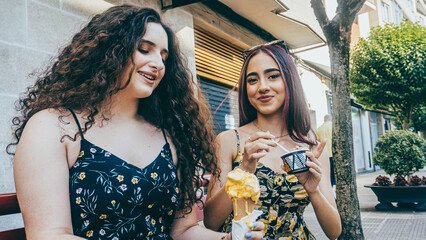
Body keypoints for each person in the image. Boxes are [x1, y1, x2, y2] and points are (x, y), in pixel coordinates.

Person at [9, 5, 264, 239]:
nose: (157, 64)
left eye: (164, 56)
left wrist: (230, 238)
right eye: (144, 49)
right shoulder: (54, 127)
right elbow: (49, 234)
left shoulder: (168, 136)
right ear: (109, 50)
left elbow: (184, 230)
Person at [203, 40, 341, 239]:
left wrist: (314, 191)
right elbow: (211, 222)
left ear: (289, 80)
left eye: (273, 76)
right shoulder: (229, 141)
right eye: (252, 80)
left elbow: (334, 232)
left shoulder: (312, 147)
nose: (263, 87)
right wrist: (243, 170)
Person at [316, 114, 336, 188]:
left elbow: (318, 142)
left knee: (328, 175)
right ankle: (335, 190)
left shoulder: (319, 129)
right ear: (331, 119)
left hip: (324, 155)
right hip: (334, 154)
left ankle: (330, 190)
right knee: (335, 174)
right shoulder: (334, 127)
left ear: (324, 120)